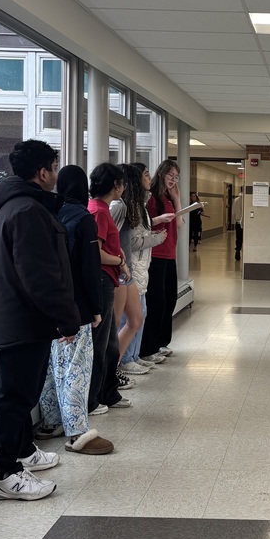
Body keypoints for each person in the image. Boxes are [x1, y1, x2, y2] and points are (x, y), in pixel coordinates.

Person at [0, 139, 81, 500]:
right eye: (54, 168)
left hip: (27, 321)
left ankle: (24, 452)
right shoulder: (26, 211)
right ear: (42, 172)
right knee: (15, 397)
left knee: (24, 395)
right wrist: (67, 318)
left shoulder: (23, 206)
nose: (56, 175)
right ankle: (5, 474)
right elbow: (39, 276)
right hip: (22, 322)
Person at [37, 166, 114, 455]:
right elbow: (89, 269)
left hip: (49, 304)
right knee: (76, 370)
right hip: (76, 307)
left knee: (52, 366)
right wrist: (95, 309)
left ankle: (52, 421)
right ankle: (77, 433)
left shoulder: (50, 213)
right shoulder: (84, 219)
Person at [87, 163, 131, 413]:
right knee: (101, 342)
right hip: (104, 280)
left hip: (109, 280)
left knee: (110, 341)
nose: (123, 187)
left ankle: (108, 393)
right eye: (121, 183)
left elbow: (109, 245)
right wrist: (120, 262)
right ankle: (94, 399)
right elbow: (98, 253)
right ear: (115, 185)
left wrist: (119, 255)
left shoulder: (100, 208)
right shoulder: (99, 212)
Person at [140, 160, 183, 359]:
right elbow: (144, 225)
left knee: (169, 299)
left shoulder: (169, 197)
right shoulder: (151, 197)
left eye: (176, 177)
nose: (173, 180)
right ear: (162, 174)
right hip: (155, 254)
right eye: (170, 176)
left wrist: (177, 199)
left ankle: (162, 342)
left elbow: (180, 223)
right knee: (157, 302)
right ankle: (150, 346)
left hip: (169, 254)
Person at [109, 164, 145, 386]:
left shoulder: (126, 205)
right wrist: (120, 261)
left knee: (136, 319)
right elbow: (105, 240)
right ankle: (110, 370)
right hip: (118, 272)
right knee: (114, 326)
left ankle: (113, 365)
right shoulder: (117, 206)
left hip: (125, 270)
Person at [233, 189, 244, 261]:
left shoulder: (236, 200)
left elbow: (233, 212)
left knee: (238, 238)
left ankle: (237, 251)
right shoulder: (244, 200)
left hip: (237, 222)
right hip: (243, 222)